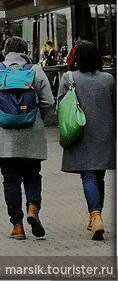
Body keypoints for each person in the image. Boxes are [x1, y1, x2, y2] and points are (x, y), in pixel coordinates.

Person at [0, 36, 54, 240]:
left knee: (10, 181)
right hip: (32, 136)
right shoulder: (35, 71)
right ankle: (33, 208)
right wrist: (38, 118)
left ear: (5, 51)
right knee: (33, 175)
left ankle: (17, 226)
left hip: (4, 138)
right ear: (25, 52)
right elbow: (48, 101)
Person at [57, 40, 116, 240]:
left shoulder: (69, 77)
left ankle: (95, 214)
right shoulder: (109, 79)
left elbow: (61, 106)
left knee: (88, 176)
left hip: (80, 132)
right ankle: (95, 216)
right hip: (105, 133)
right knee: (98, 175)